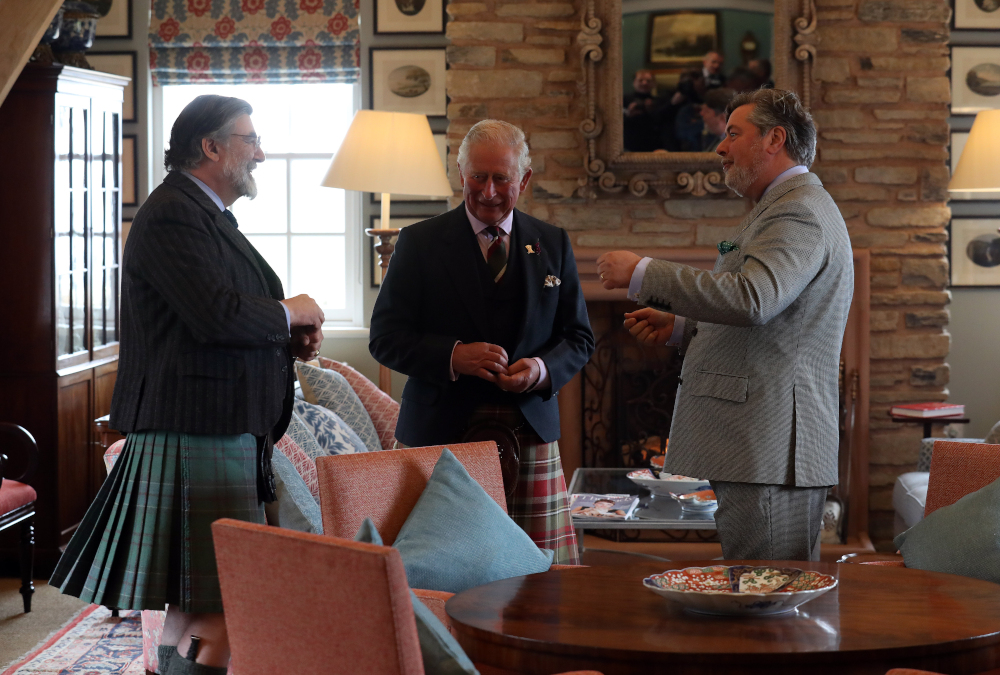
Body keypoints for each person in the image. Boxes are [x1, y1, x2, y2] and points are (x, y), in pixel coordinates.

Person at [49, 95, 326, 675]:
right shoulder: (174, 212)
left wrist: (286, 335)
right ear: (212, 146)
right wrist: (290, 311)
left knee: (200, 600)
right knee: (220, 598)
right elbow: (217, 315)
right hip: (198, 426)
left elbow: (217, 317)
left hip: (218, 428)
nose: (262, 153)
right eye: (251, 140)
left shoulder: (206, 214)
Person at [595, 88, 853, 562]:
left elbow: (755, 298)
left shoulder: (797, 212)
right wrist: (682, 326)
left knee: (764, 600)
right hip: (762, 448)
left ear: (775, 139)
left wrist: (642, 272)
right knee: (762, 593)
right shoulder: (781, 208)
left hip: (769, 449)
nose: (719, 147)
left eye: (733, 134)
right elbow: (772, 319)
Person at [369, 119, 595, 565]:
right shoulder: (417, 242)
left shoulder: (554, 243)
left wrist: (541, 369)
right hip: (438, 432)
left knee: (541, 580)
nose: (488, 191)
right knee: (441, 571)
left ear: (524, 179)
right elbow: (385, 338)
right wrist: (454, 355)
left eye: (501, 178)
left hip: (529, 430)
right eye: (477, 176)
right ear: (461, 173)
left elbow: (579, 337)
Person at [623, 69, 663, 152]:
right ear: (634, 82)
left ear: (653, 83)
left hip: (653, 146)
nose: (644, 83)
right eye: (640, 80)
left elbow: (663, 123)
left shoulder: (659, 101)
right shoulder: (623, 100)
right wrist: (628, 115)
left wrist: (651, 111)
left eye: (648, 81)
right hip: (629, 145)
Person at [699, 87, 734, 153]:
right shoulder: (716, 139)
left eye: (706, 111)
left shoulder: (731, 147)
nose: (701, 113)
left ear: (722, 118)